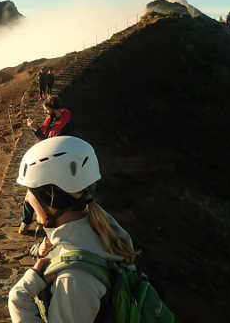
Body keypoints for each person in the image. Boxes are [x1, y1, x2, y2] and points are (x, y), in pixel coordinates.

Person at [9, 136, 139, 323]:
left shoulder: (73, 280)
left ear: (49, 198)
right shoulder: (108, 229)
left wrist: (18, 298)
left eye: (30, 191)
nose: (27, 198)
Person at [19, 96, 72, 234]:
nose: (45, 113)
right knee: (34, 191)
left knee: (33, 192)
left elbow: (49, 144)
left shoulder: (64, 126)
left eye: (46, 110)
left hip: (54, 165)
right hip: (47, 161)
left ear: (53, 109)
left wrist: (34, 129)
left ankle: (29, 223)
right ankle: (29, 223)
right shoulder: (57, 119)